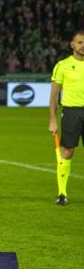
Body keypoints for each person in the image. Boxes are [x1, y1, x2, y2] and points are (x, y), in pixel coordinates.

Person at [48, 30, 84, 206]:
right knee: (67, 152)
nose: (82, 45)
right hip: (71, 112)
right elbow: (54, 96)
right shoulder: (62, 65)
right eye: (79, 42)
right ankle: (62, 193)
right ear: (72, 44)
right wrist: (53, 120)